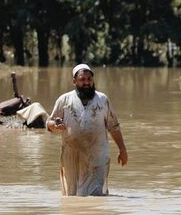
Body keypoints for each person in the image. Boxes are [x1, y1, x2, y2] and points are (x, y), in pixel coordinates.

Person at [47, 64, 128, 196]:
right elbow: (49, 122)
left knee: (96, 196)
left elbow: (113, 127)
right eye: (82, 79)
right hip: (71, 157)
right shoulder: (64, 100)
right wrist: (55, 126)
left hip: (97, 157)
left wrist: (122, 150)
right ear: (74, 81)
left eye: (89, 79)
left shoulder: (102, 100)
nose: (86, 83)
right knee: (71, 197)